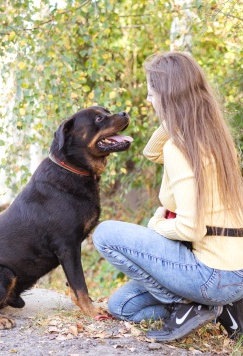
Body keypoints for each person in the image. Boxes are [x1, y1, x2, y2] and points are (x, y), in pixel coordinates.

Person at [93, 51, 243, 342]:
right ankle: (217, 308)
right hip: (235, 270)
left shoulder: (181, 147)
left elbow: (190, 228)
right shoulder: (215, 138)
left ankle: (188, 304)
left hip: (213, 274)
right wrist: (176, 114)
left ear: (169, 95)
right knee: (121, 305)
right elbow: (152, 153)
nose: (149, 101)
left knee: (104, 233)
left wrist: (156, 225)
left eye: (153, 94)